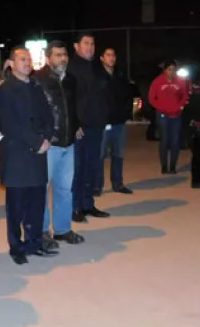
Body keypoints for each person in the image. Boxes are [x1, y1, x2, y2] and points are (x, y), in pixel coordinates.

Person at [0, 47, 57, 265]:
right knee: (16, 207)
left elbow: (48, 115)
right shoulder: (4, 90)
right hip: (18, 157)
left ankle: (34, 242)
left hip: (38, 153)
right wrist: (36, 141)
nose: (27, 63)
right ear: (11, 63)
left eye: (29, 59)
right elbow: (10, 124)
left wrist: (47, 137)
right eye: (22, 59)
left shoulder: (35, 86)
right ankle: (16, 246)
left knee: (36, 204)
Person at [34, 41, 84, 245]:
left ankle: (63, 229)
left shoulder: (71, 79)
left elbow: (72, 106)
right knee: (43, 188)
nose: (62, 58)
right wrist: (40, 137)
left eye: (64, 55)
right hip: (49, 144)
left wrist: (76, 125)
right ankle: (43, 230)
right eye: (57, 55)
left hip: (68, 141)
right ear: (48, 58)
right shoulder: (38, 80)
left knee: (65, 188)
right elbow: (34, 112)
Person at [67, 32, 111, 222]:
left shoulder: (97, 67)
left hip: (97, 125)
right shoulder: (70, 68)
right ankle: (75, 206)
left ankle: (87, 203)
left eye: (92, 43)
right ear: (77, 46)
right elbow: (68, 99)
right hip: (80, 127)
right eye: (86, 43)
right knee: (78, 168)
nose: (90, 47)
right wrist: (74, 124)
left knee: (92, 165)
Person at [96, 47, 134, 194]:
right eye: (108, 55)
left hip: (119, 122)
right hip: (103, 123)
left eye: (113, 55)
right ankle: (97, 186)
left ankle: (118, 184)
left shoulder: (120, 76)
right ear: (102, 58)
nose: (111, 58)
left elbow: (128, 96)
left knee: (118, 154)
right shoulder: (97, 76)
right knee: (100, 155)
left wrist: (126, 114)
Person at [148, 60, 189, 174]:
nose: (171, 72)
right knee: (165, 140)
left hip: (176, 115)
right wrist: (161, 108)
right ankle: (164, 166)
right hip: (162, 115)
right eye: (169, 69)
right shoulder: (157, 82)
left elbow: (185, 96)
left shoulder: (180, 82)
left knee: (175, 141)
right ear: (164, 70)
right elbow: (152, 98)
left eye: (173, 69)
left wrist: (180, 107)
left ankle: (173, 166)